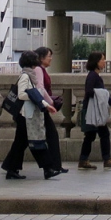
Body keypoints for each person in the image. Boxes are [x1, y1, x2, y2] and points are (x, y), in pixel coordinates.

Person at [1, 51, 60, 180]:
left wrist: (45, 104)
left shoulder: (29, 75)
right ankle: (47, 169)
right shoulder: (25, 76)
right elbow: (22, 94)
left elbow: (35, 94)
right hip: (25, 115)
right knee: (35, 142)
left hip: (27, 114)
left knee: (21, 143)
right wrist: (37, 99)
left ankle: (12, 169)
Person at [78, 51, 111, 170]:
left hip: (94, 110)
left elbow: (102, 95)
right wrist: (102, 95)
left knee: (91, 135)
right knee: (100, 134)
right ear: (96, 62)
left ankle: (84, 160)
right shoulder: (93, 76)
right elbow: (89, 91)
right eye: (102, 59)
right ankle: (105, 159)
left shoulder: (95, 76)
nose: (104, 62)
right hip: (93, 111)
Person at [33, 46, 68, 175]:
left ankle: (11, 166)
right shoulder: (38, 69)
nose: (51, 58)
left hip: (40, 107)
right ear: (41, 58)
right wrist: (50, 102)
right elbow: (40, 88)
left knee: (22, 139)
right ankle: (53, 166)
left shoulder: (40, 69)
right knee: (52, 135)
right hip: (40, 107)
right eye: (49, 56)